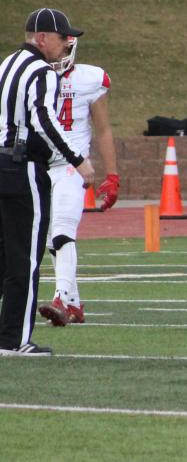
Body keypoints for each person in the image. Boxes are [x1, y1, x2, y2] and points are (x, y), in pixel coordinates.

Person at [0, 9, 95, 356]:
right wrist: (78, 160)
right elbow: (44, 120)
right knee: (25, 257)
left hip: (2, 159)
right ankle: (14, 339)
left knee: (3, 255)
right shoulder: (40, 71)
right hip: (22, 165)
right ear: (42, 37)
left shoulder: (6, 65)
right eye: (61, 36)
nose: (66, 43)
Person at [38, 33, 119, 327]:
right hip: (39, 165)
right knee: (49, 238)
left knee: (62, 229)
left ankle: (60, 298)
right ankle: (73, 304)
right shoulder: (33, 74)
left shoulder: (90, 79)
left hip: (73, 165)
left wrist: (112, 175)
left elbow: (103, 130)